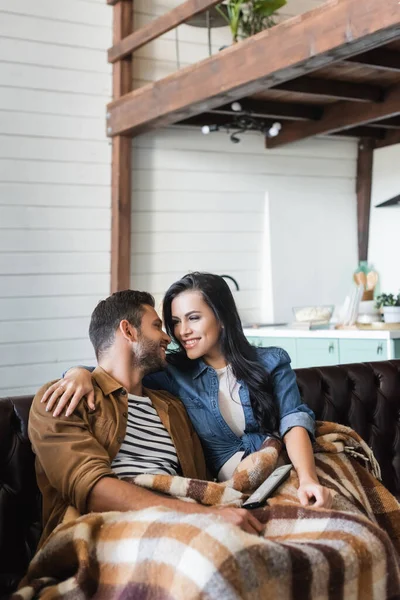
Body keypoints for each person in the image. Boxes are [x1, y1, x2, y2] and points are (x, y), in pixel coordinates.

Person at [42, 273, 332, 508]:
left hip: (278, 470)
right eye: (173, 322)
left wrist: (307, 478)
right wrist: (76, 373)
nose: (179, 333)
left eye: (193, 318)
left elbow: (293, 419)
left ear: (221, 316)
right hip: (216, 496)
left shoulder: (269, 361)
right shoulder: (171, 372)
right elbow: (113, 370)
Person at [30, 289, 263, 546]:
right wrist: (206, 516)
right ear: (128, 331)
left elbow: (202, 482)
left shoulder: (172, 406)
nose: (167, 337)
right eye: (157, 326)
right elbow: (92, 489)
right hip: (107, 533)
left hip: (185, 526)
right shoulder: (62, 399)